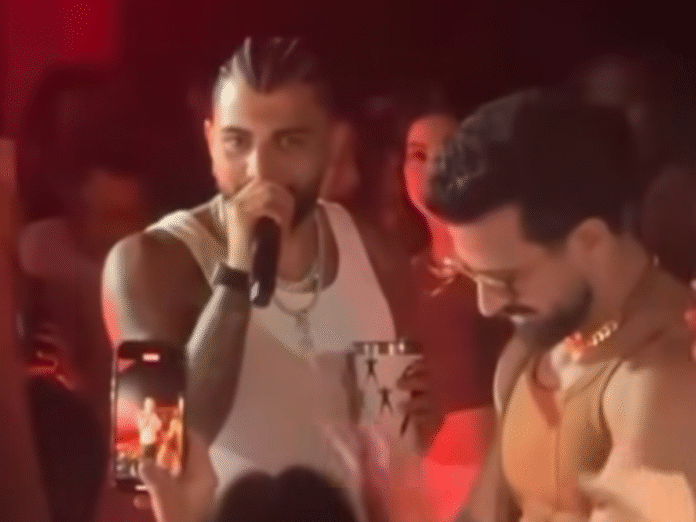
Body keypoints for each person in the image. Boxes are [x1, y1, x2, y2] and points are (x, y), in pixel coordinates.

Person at [102, 36, 418, 516]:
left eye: (289, 142)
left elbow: (391, 452)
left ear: (334, 144)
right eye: (237, 142)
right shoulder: (147, 264)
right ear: (210, 141)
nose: (260, 171)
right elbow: (154, 463)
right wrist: (235, 274)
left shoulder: (377, 256)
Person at [417, 91, 696, 522]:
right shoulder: (530, 352)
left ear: (590, 240)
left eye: (506, 280)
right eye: (474, 277)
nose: (487, 306)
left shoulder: (666, 377)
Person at [400, 97, 510, 521]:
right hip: (423, 488)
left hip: (500, 480)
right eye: (418, 155)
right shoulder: (399, 275)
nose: (432, 166)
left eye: (447, 150)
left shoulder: (508, 268)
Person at [157, 396, 185, 474]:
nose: (180, 409)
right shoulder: (175, 422)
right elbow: (170, 436)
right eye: (180, 406)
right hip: (178, 455)